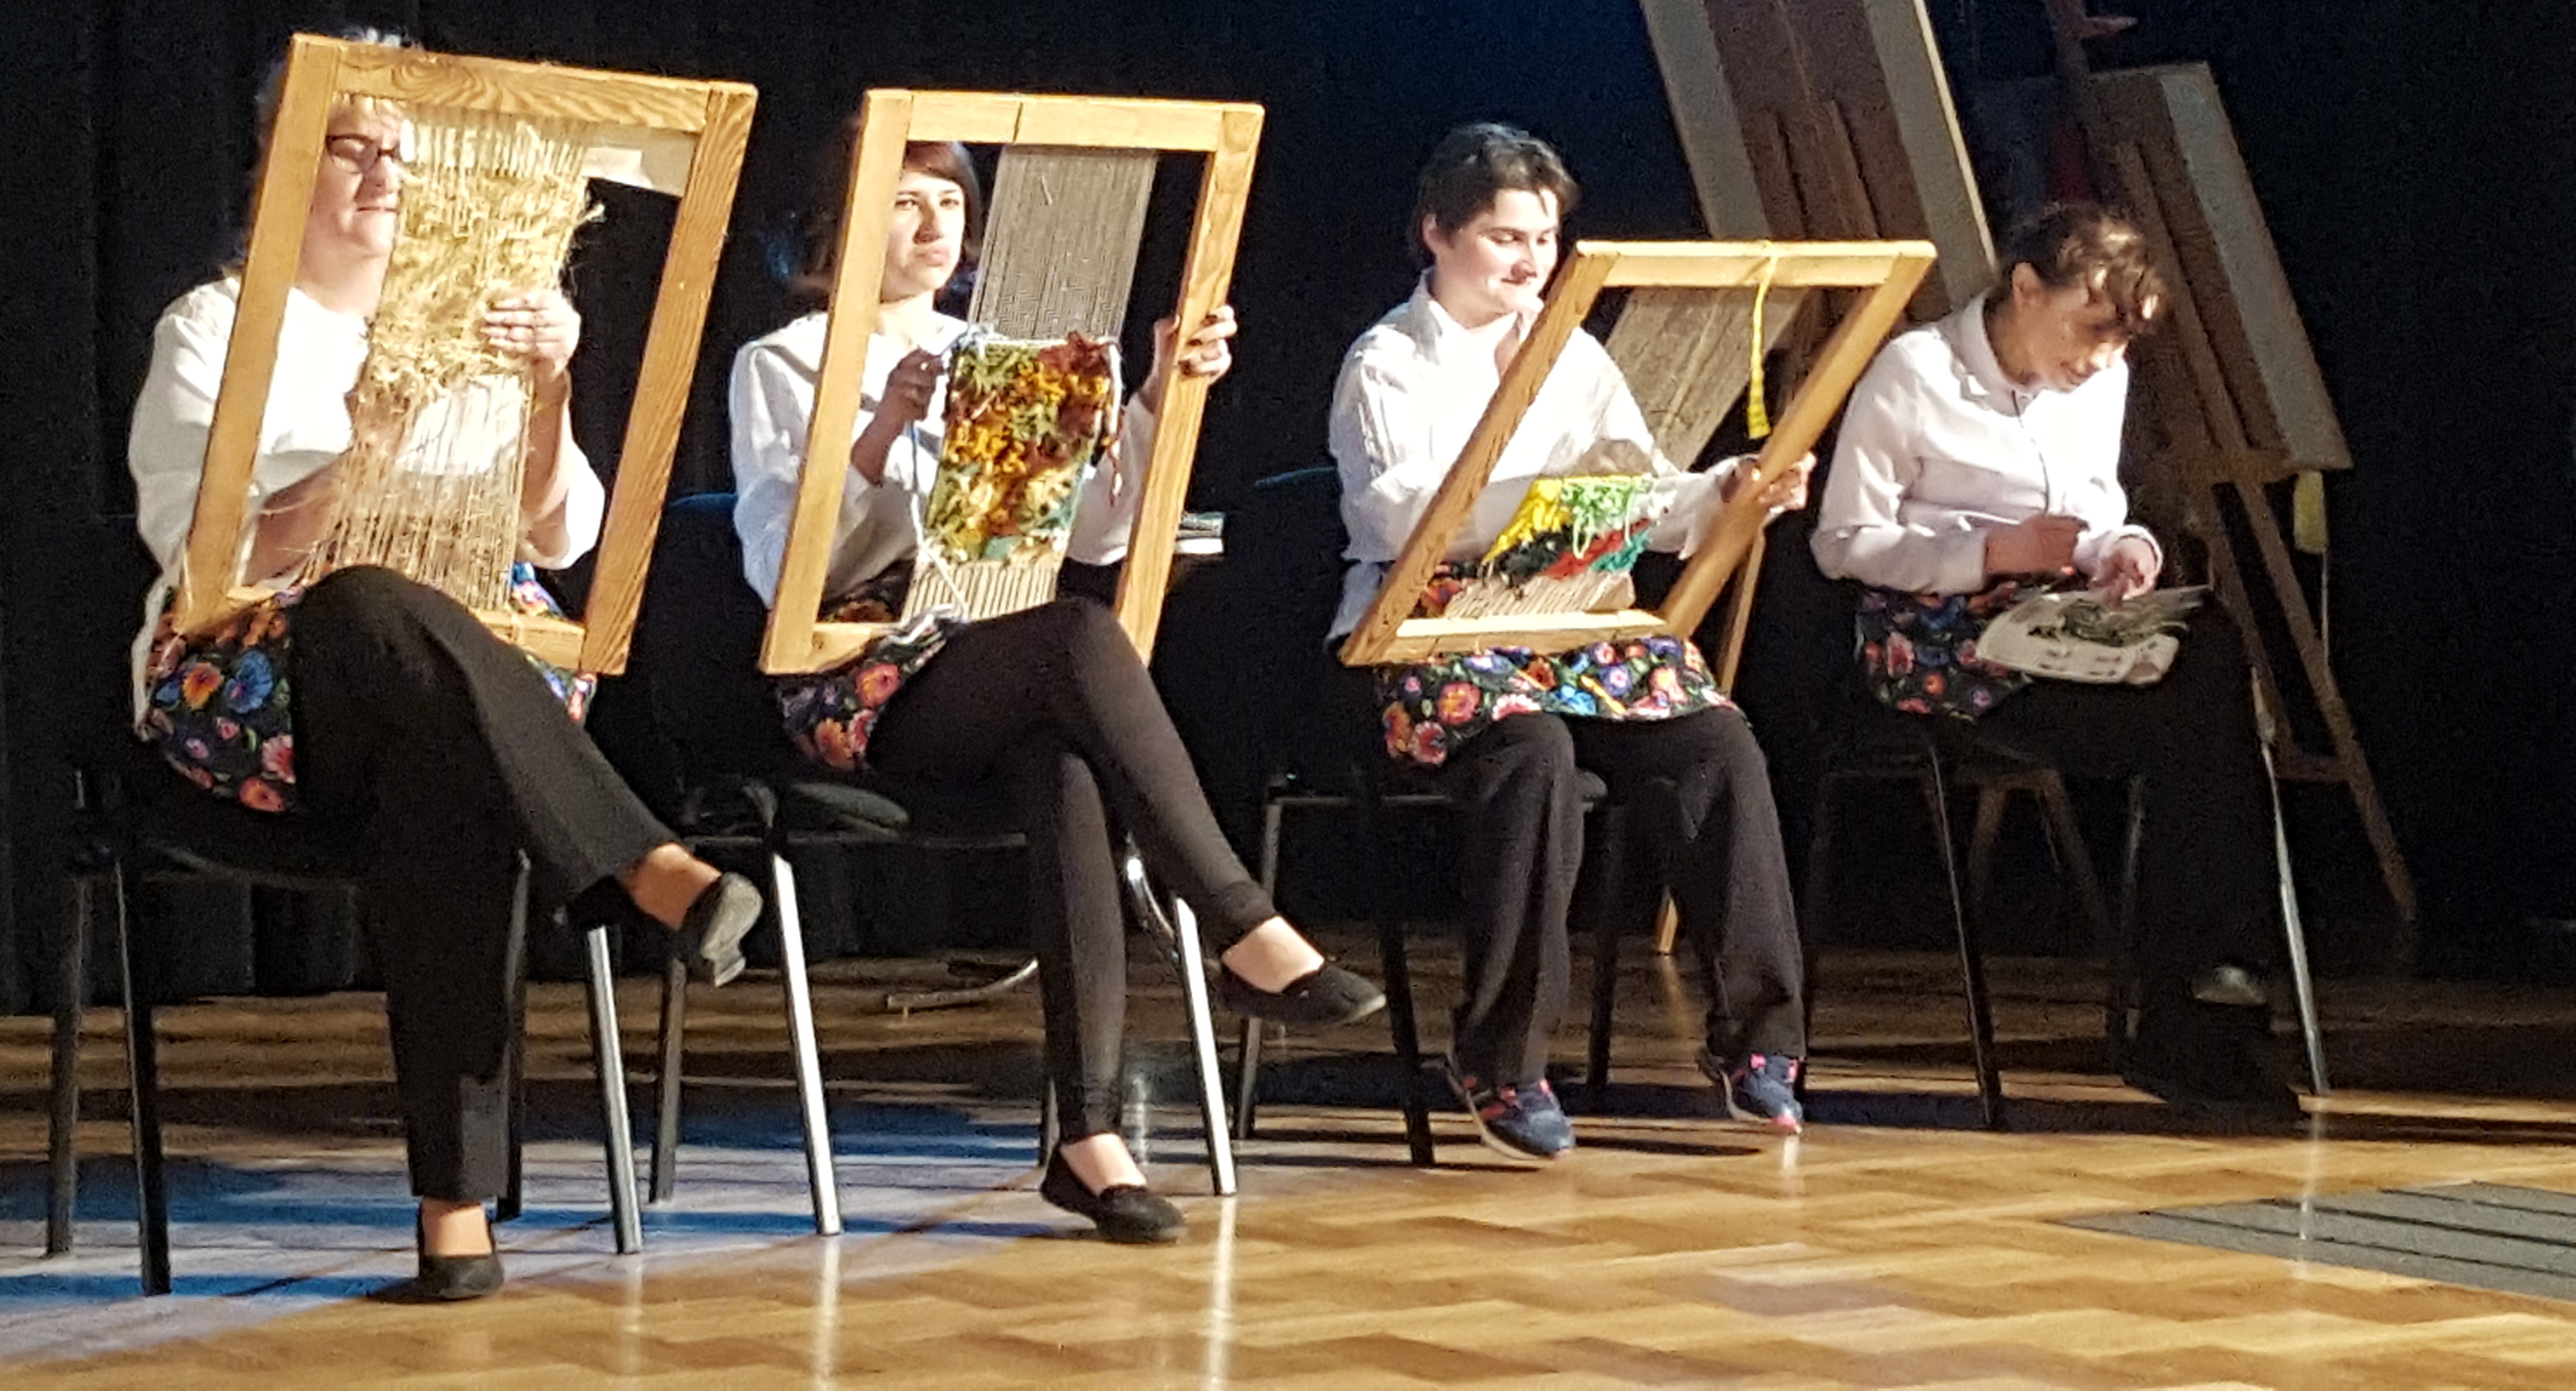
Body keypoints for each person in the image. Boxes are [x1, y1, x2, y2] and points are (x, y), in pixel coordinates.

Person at [127, 37, 763, 1302]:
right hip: (262, 690)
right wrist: (360, 447)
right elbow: (211, 559)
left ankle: (454, 1212)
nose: (383, 175)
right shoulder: (217, 326)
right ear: (285, 161)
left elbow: (556, 537)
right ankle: (644, 864)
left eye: (404, 155)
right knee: (372, 601)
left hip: (457, 700)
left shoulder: (478, 317)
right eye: (353, 147)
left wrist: (550, 386)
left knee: (448, 775)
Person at [729, 133, 1385, 1244]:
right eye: (906, 201)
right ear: (845, 221)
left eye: (950, 202)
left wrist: (1155, 398)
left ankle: (1090, 1142)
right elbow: (785, 570)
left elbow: (1093, 534)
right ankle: (1239, 923)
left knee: (1067, 757)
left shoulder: (994, 355)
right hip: (860, 671)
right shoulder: (787, 361)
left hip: (996, 657)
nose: (935, 226)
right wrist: (879, 429)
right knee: (1077, 638)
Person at [1327, 123, 1816, 1161]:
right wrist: (1547, 486)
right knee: (1532, 751)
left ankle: (1759, 1042)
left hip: (1569, 621)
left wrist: (1727, 491)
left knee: (1713, 740)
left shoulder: (1574, 353)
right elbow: (1397, 518)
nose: (1528, 262)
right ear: (1437, 234)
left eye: (1543, 241)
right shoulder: (1386, 361)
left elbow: (1644, 496)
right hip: (1434, 630)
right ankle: (1500, 1060)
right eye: (1504, 238)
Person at [1811, 200, 2298, 1121]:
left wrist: (2125, 548)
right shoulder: (1917, 371)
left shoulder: (2097, 382)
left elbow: (2095, 507)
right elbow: (1844, 543)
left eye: (2121, 341)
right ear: (2027, 289)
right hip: (1938, 636)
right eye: (2091, 329)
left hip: (2049, 621)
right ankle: (2205, 1002)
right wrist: (1988, 555)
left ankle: (2207, 997)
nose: (2103, 359)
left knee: (2206, 652)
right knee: (2196, 720)